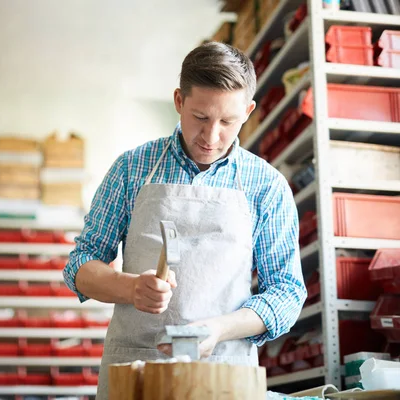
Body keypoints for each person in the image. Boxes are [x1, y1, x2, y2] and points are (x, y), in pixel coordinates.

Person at [63, 42, 307, 399]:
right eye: (200, 117)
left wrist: (219, 329)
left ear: (249, 110)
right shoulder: (131, 169)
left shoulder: (266, 186)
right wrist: (130, 288)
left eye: (228, 122)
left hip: (225, 373)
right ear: (179, 101)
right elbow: (80, 265)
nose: (211, 137)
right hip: (136, 373)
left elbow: (286, 293)